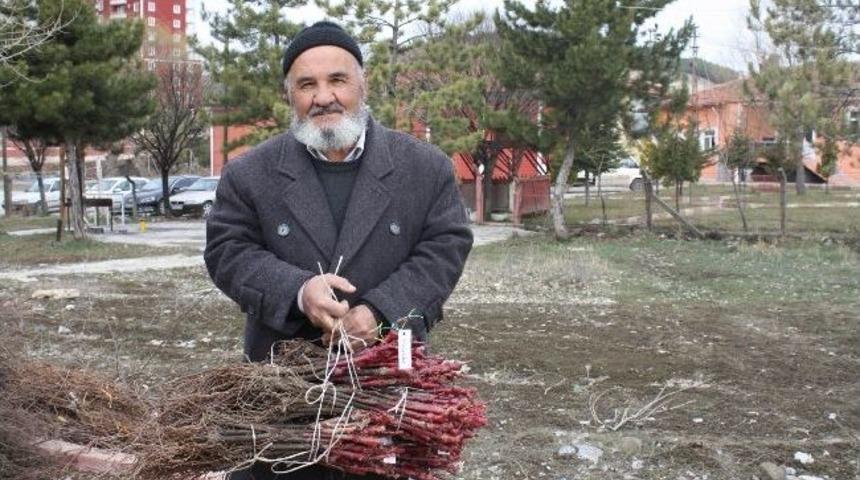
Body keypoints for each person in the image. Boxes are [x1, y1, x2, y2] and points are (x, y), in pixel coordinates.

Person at [204, 21, 473, 480]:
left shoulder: (423, 168)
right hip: (285, 390)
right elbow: (228, 251)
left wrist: (381, 309)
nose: (323, 96)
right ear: (290, 93)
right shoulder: (250, 174)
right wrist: (298, 291)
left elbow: (445, 246)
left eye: (337, 80)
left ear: (362, 84)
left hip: (389, 383)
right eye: (307, 84)